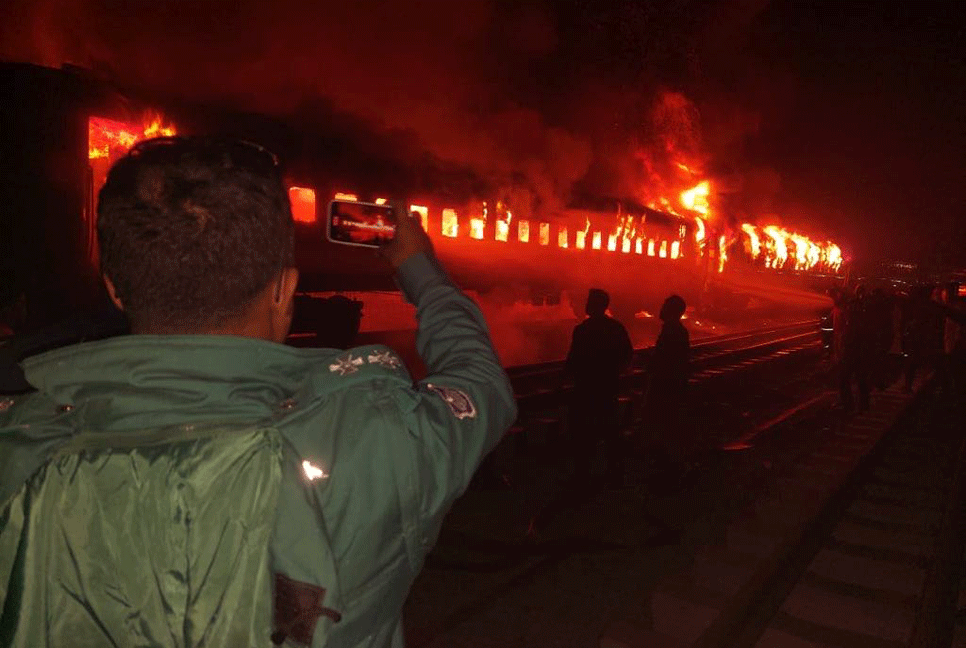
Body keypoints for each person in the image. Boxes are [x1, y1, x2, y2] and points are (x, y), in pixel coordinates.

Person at [0, 137, 516, 647]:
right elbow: (481, 381)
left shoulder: (21, 445)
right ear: (283, 289)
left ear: (114, 285)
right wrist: (418, 266)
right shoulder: (378, 436)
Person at [564, 288, 633, 487]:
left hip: (585, 390)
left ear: (593, 305)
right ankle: (614, 472)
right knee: (609, 430)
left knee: (583, 434)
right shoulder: (616, 328)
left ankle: (582, 475)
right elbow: (627, 356)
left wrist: (564, 382)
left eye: (589, 301)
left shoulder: (582, 330)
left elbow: (573, 360)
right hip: (607, 388)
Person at [642, 295, 690, 470]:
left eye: (664, 305)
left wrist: (650, 364)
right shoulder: (679, 331)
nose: (660, 308)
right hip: (673, 385)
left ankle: (661, 462)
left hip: (664, 385)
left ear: (670, 310)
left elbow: (664, 360)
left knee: (659, 421)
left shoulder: (671, 331)